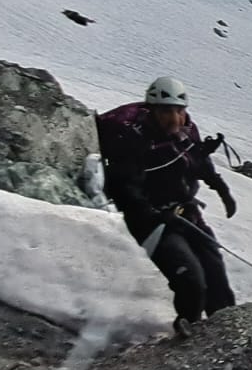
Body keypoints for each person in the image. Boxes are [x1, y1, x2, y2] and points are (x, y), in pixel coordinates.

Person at [97, 76, 237, 336]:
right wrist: (153, 214)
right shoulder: (131, 139)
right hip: (154, 221)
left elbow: (194, 158)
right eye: (167, 111)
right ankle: (189, 327)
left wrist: (221, 188)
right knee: (191, 279)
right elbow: (125, 187)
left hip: (185, 212)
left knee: (216, 274)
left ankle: (225, 333)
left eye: (179, 110)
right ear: (152, 111)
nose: (175, 117)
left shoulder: (185, 130)